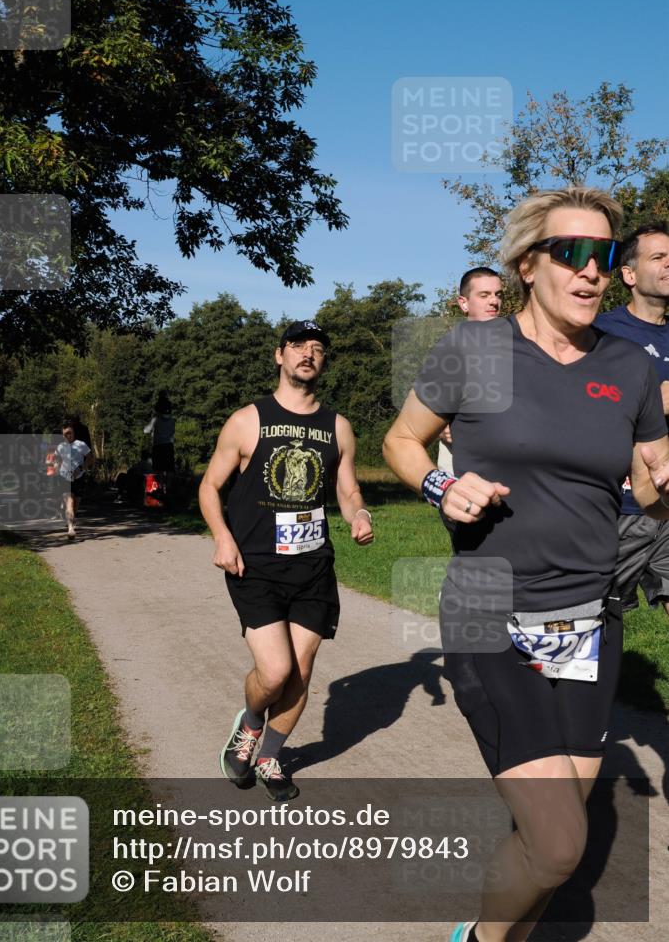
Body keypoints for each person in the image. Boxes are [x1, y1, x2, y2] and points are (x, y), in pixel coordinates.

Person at [383, 187, 669, 942]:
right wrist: (444, 485)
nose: (590, 272)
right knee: (559, 843)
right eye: (571, 253)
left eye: (603, 257)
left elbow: (646, 490)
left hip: (588, 619)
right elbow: (402, 442)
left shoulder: (629, 367)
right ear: (527, 264)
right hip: (491, 611)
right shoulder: (473, 351)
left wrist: (665, 485)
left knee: (555, 843)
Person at [199, 320, 374, 801]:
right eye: (298, 345)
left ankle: (272, 755)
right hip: (254, 565)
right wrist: (222, 537)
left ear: (324, 362)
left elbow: (347, 488)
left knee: (301, 667)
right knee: (275, 673)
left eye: (318, 348)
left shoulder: (338, 427)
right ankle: (251, 722)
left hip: (313, 565)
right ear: (280, 356)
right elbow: (209, 486)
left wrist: (358, 513)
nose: (308, 354)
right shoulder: (247, 420)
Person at [594, 222, 669, 617]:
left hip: (668, 506)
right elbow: (575, 406)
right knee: (601, 617)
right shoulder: (601, 333)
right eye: (659, 257)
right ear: (628, 274)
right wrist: (655, 400)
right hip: (617, 508)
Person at [437, 268, 505, 473]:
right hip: (459, 463)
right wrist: (439, 427)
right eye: (484, 295)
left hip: (507, 462)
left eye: (498, 295)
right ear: (463, 303)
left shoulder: (517, 346)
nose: (494, 301)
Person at [55, 419, 94, 539]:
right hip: (64, 477)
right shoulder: (60, 446)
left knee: (76, 503)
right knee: (69, 502)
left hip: (79, 477)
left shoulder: (81, 444)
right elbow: (57, 460)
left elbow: (90, 459)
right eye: (65, 434)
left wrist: (81, 467)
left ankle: (71, 520)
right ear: (62, 435)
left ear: (73, 433)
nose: (68, 435)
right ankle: (71, 528)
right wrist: (56, 467)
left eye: (70, 433)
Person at [144, 390, 175, 494]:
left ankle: (161, 488)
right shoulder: (172, 420)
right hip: (169, 445)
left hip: (158, 445)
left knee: (159, 469)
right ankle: (169, 488)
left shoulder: (156, 419)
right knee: (169, 468)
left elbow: (146, 430)